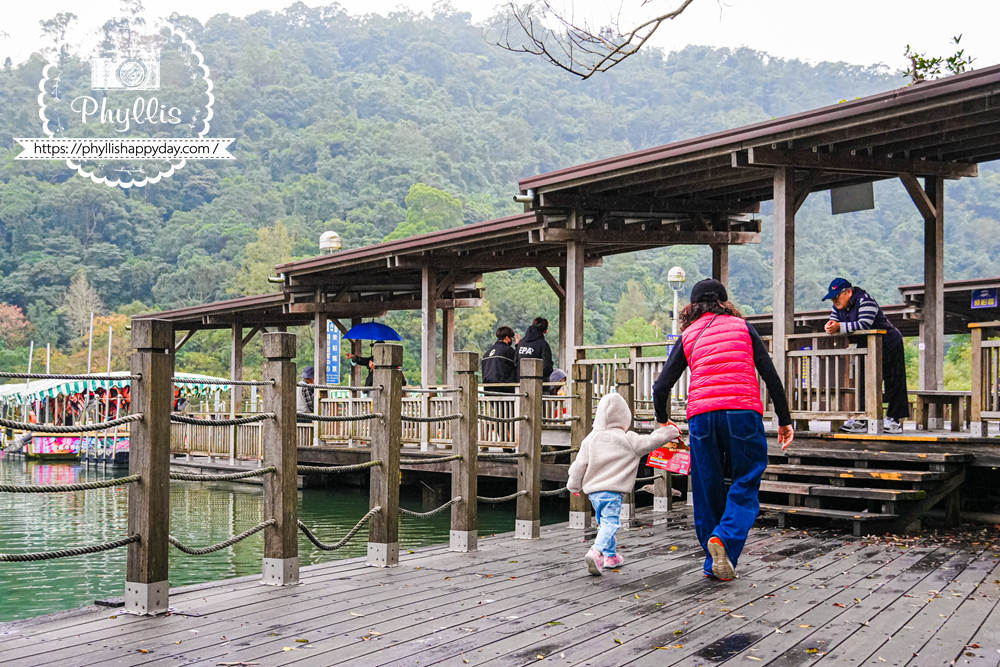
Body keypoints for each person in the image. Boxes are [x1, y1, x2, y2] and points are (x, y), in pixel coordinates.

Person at [652, 279, 794, 582]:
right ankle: (725, 539)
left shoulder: (688, 335)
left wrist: (663, 419)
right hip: (742, 412)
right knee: (747, 478)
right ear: (724, 303)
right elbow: (769, 374)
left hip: (702, 417)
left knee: (706, 489)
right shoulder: (742, 328)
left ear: (692, 307)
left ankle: (713, 561)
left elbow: (661, 385)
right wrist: (784, 419)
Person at [567, 392, 681, 576]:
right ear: (624, 417)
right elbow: (651, 441)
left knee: (603, 522)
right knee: (611, 523)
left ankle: (610, 556)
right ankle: (596, 552)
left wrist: (573, 486)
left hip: (594, 494)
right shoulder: (628, 439)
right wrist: (670, 431)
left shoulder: (590, 439)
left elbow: (578, 465)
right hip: (613, 492)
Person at [823, 278, 907, 434]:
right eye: (832, 298)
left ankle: (894, 420)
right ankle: (861, 418)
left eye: (836, 297)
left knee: (894, 381)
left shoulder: (865, 300)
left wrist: (839, 326)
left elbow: (864, 324)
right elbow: (833, 321)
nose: (834, 301)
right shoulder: (838, 306)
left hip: (889, 343)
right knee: (862, 382)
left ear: (848, 292)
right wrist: (830, 325)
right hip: (866, 348)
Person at [515, 317, 554, 382]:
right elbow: (547, 366)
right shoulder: (543, 344)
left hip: (521, 383)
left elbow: (516, 362)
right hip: (539, 384)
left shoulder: (521, 343)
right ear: (545, 331)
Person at [481, 326, 519, 392]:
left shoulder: (487, 353)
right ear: (507, 337)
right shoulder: (507, 350)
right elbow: (518, 361)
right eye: (511, 338)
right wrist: (517, 345)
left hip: (488, 390)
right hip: (504, 390)